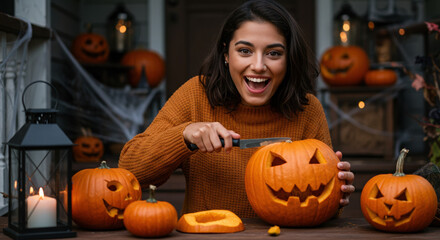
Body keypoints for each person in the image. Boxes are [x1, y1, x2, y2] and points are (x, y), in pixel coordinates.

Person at [119, 0, 354, 218]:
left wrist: (334, 195)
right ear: (226, 54)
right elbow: (130, 171)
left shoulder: (307, 109)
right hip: (208, 234)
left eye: (274, 53)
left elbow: (321, 209)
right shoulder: (196, 95)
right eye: (245, 51)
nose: (259, 65)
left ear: (288, 58)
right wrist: (184, 135)